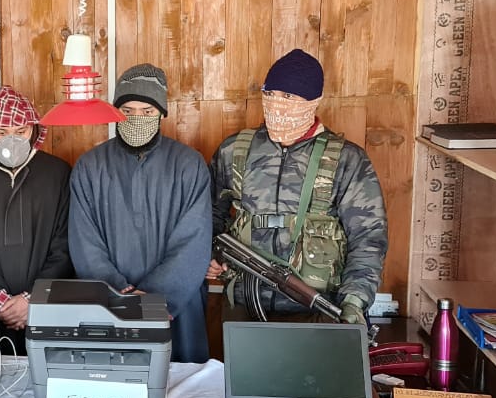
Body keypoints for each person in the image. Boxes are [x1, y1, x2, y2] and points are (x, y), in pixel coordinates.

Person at [209, 49, 388, 325]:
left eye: (289, 97)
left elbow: (369, 238)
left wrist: (354, 301)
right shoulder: (235, 151)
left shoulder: (345, 160)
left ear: (313, 101)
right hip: (243, 303)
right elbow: (208, 216)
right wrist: (210, 256)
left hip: (319, 308)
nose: (276, 104)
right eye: (270, 93)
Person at [68, 63, 212, 363]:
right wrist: (119, 293)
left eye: (147, 112)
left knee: (181, 391)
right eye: (128, 111)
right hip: (111, 304)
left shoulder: (188, 165)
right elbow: (84, 241)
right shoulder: (90, 167)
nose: (137, 119)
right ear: (116, 112)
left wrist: (156, 299)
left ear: (161, 113)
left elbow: (194, 239)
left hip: (176, 305)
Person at [0, 86, 73, 347]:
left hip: (45, 311)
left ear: (35, 131)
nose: (12, 140)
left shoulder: (57, 174)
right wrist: (0, 302)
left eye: (21, 132)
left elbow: (64, 246)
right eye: (1, 133)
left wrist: (30, 300)